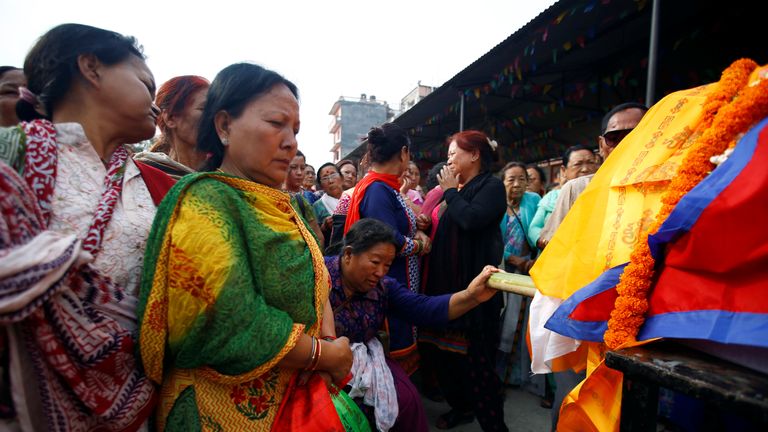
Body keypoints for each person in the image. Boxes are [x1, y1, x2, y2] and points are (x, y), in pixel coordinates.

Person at [137, 62, 358, 431]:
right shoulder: (205, 199)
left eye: (295, 129)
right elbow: (230, 320)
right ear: (223, 125)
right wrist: (322, 355)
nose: (291, 141)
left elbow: (318, 284)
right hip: (219, 411)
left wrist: (329, 346)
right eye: (276, 124)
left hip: (296, 400)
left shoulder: (280, 204)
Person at [0, 23, 167, 431]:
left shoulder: (155, 180)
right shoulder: (12, 154)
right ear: (91, 67)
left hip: (133, 406)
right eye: (145, 83)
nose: (155, 104)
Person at [329, 218, 500, 432]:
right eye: (375, 262)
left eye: (388, 265)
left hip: (366, 357)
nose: (381, 272)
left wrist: (471, 296)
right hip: (317, 361)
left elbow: (424, 309)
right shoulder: (318, 276)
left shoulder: (384, 288)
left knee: (407, 400)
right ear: (347, 254)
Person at [419, 130, 508, 431]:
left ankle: (495, 425)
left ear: (474, 155)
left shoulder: (491, 187)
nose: (449, 160)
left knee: (479, 368)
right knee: (446, 362)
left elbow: (471, 220)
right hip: (446, 291)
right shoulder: (453, 190)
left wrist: (449, 193)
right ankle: (461, 408)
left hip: (477, 294)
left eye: (454, 153)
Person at [343, 123, 431, 374]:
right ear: (403, 153)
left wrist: (417, 226)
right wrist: (418, 245)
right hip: (390, 283)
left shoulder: (385, 187)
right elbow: (387, 238)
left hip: (397, 282)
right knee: (392, 356)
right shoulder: (378, 189)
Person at [539, 103, 648, 244]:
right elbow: (553, 246)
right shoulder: (577, 189)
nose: (625, 145)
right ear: (601, 145)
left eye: (636, 135)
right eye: (614, 138)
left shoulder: (675, 188)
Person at [496, 162, 541, 388]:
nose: (517, 184)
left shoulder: (534, 201)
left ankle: (515, 374)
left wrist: (530, 261)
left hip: (528, 269)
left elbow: (540, 230)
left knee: (523, 323)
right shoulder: (495, 205)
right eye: (511, 179)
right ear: (502, 182)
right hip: (504, 268)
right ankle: (498, 372)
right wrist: (513, 259)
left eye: (522, 179)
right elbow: (493, 239)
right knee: (506, 320)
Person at [134, 75, 209, 178]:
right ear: (170, 118)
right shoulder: (140, 176)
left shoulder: (228, 178)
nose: (215, 117)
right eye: (205, 109)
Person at [528, 144, 596, 249]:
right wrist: (543, 241)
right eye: (578, 164)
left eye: (591, 163)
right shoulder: (551, 197)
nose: (585, 169)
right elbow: (534, 227)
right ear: (564, 171)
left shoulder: (605, 195)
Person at [284, 149, 324, 242]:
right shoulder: (269, 195)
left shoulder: (301, 201)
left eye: (302, 168)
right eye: (293, 167)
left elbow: (319, 237)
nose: (299, 172)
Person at [313, 161, 344, 248]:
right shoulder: (317, 206)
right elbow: (314, 235)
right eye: (325, 178)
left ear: (341, 178)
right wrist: (324, 227)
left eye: (333, 175)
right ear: (321, 185)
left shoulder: (353, 198)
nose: (330, 181)